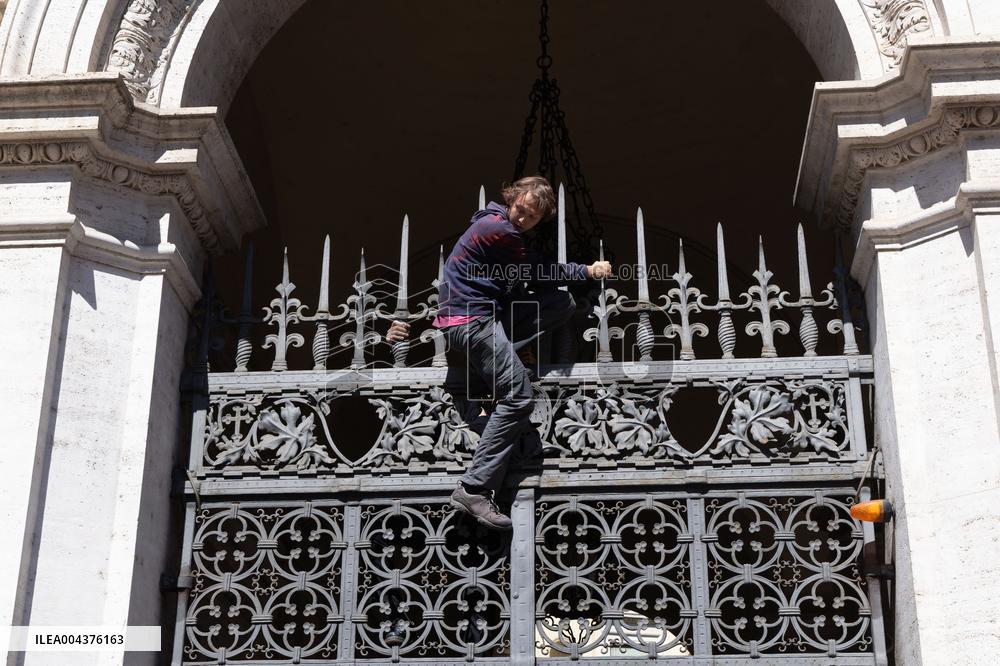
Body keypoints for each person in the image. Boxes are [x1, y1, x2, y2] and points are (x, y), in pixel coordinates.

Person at [392, 176, 611, 529]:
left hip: (487, 314)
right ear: (511, 199)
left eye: (532, 217)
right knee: (519, 397)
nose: (523, 219)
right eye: (521, 210)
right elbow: (535, 273)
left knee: (561, 302)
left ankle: (504, 357)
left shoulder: (491, 223)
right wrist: (585, 269)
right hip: (472, 321)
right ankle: (474, 488)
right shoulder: (500, 230)